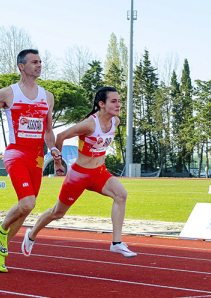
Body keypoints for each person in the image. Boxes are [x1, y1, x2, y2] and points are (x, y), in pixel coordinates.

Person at [21, 86, 137, 258]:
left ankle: (117, 243)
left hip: (99, 173)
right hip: (79, 176)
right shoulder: (90, 124)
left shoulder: (115, 122)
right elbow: (60, 137)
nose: (118, 105)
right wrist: (58, 163)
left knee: (121, 195)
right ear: (101, 104)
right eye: (114, 101)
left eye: (119, 101)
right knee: (57, 213)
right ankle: (31, 235)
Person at [0, 49, 63, 273]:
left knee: (25, 209)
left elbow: (48, 131)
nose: (39, 65)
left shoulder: (48, 97)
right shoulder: (8, 93)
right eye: (34, 62)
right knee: (28, 204)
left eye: (41, 61)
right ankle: (1, 229)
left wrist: (52, 148)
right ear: (21, 66)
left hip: (37, 157)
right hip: (16, 154)